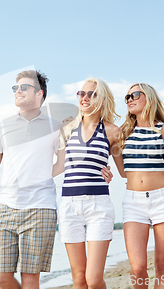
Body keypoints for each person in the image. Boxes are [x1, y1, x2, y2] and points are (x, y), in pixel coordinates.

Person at [0, 70, 61, 289]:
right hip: (4, 208)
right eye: (16, 88)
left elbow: (64, 162)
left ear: (39, 94)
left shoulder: (56, 127)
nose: (18, 91)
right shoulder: (2, 126)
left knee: (30, 278)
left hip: (41, 208)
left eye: (24, 87)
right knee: (0, 277)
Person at [52, 77, 122, 289]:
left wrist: (162, 175)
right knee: (79, 279)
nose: (84, 97)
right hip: (69, 206)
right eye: (81, 93)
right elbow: (59, 166)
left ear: (102, 99)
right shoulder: (67, 129)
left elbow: (126, 172)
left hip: (98, 206)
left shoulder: (112, 131)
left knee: (93, 279)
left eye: (91, 94)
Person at [117, 83, 164, 289]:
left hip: (163, 199)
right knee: (138, 268)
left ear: (149, 98)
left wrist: (159, 171)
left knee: (163, 266)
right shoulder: (123, 133)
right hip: (133, 202)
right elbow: (120, 169)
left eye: (135, 94)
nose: (130, 99)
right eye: (127, 96)